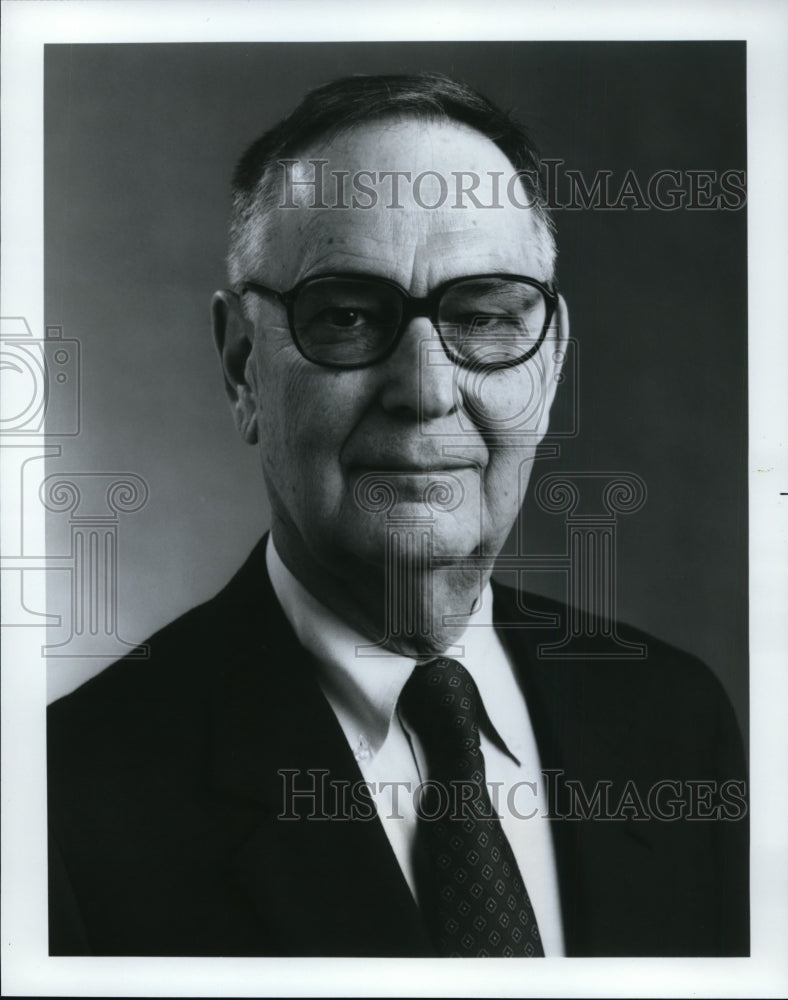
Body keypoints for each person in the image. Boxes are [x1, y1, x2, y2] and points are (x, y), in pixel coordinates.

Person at [47, 73, 748, 958]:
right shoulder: (62, 803)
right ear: (241, 369)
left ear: (552, 361)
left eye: (487, 317)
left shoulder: (675, 721)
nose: (425, 391)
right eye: (345, 316)